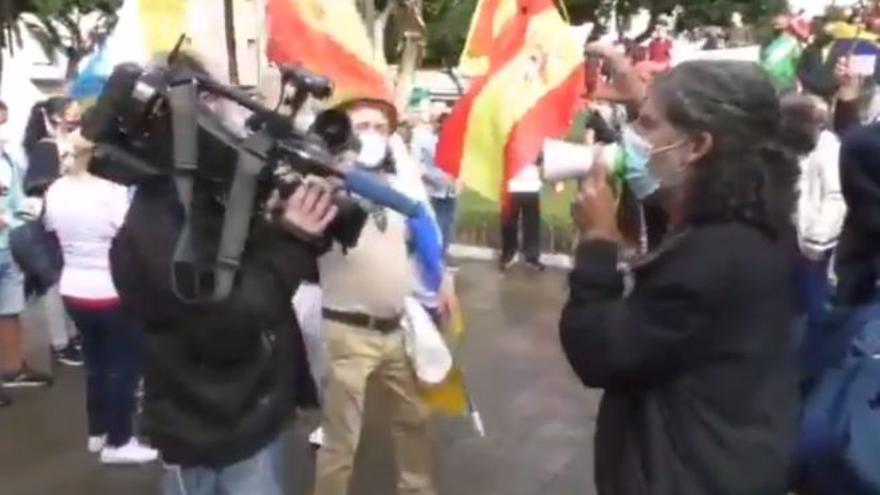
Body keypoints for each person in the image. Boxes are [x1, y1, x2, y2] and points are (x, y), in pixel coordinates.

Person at [560, 60, 800, 495]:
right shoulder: (749, 225)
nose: (633, 137)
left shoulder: (712, 259)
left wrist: (596, 244)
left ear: (697, 147)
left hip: (688, 475)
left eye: (647, 125)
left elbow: (598, 352)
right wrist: (645, 99)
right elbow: (676, 214)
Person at [109, 55, 338, 495]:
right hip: (213, 437)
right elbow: (226, 328)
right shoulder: (157, 222)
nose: (231, 111)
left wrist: (292, 225)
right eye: (213, 97)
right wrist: (291, 239)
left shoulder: (212, 194)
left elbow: (256, 273)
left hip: (250, 417)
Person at [312, 96, 440, 495]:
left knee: (415, 417)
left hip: (395, 329)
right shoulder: (323, 185)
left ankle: (416, 489)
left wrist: (442, 279)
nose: (373, 134)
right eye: (362, 126)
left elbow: (418, 237)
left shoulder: (396, 187)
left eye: (380, 127)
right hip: (348, 332)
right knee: (341, 439)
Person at [43, 130, 155, 463]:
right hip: (111, 291)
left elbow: (50, 228)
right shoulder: (112, 192)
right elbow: (130, 235)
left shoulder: (56, 188)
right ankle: (119, 442)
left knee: (95, 365)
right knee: (124, 367)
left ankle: (98, 431)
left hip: (73, 289)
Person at [22, 97, 84, 367]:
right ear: (57, 117)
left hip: (66, 222)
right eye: (72, 112)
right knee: (53, 283)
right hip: (50, 224)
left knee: (65, 281)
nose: (77, 117)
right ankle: (61, 343)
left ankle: (71, 336)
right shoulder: (46, 148)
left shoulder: (65, 144)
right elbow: (36, 186)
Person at [0, 100, 53, 402]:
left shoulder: (7, 157)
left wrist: (28, 210)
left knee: (9, 311)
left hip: (8, 246)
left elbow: (18, 196)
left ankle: (13, 368)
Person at [779, 94, 846, 329]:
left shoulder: (827, 147)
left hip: (810, 242)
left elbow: (836, 196)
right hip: (788, 236)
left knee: (812, 304)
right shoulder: (790, 146)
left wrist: (817, 238)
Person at [412, 109, 458, 258]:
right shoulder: (423, 138)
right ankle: (428, 253)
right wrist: (431, 179)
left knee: (447, 223)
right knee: (432, 222)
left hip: (451, 190)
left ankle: (442, 253)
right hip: (430, 189)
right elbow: (416, 163)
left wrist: (458, 180)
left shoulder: (455, 140)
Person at [500, 160, 544, 271]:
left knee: (531, 224)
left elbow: (542, 159)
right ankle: (508, 254)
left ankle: (532, 257)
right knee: (509, 221)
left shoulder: (535, 145)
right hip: (512, 184)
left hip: (531, 185)